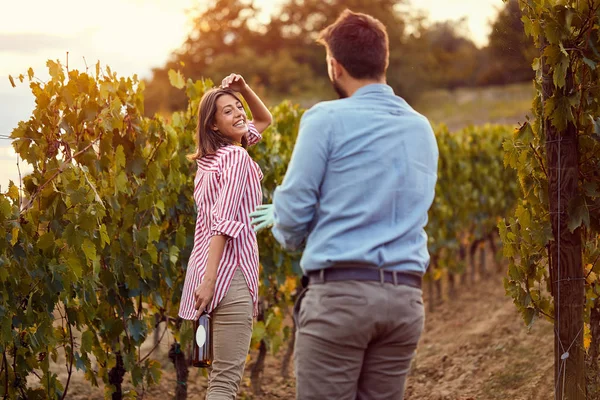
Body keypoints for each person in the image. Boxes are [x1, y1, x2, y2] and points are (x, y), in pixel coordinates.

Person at [250, 9, 439, 400]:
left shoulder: (325, 119)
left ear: (335, 66)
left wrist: (287, 228)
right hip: (405, 302)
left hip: (341, 299)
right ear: (383, 59)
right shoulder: (421, 126)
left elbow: (293, 213)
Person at [178, 73, 272, 399]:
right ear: (214, 126)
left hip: (206, 273)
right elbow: (225, 223)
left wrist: (244, 88)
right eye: (228, 111)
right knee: (225, 381)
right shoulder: (236, 157)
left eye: (238, 107)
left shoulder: (211, 159)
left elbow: (264, 118)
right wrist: (211, 280)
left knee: (217, 375)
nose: (239, 113)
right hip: (227, 276)